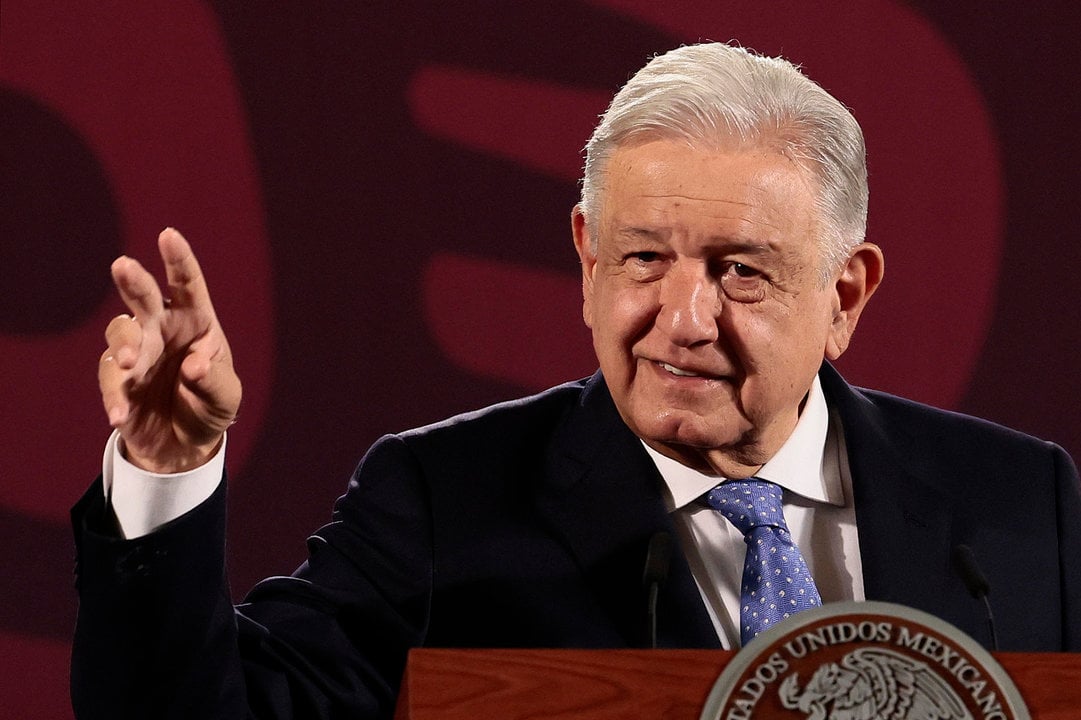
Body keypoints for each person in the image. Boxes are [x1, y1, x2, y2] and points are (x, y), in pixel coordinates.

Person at [71, 42, 1081, 719]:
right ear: (586, 262)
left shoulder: (1021, 505)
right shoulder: (442, 501)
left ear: (845, 293)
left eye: (739, 270)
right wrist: (168, 473)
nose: (681, 321)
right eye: (643, 259)